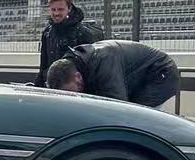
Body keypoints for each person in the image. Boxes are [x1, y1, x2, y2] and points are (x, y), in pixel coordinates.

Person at [46, 39, 180, 108]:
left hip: (160, 72)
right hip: (138, 75)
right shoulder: (74, 64)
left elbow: (117, 104)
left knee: (139, 118)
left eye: (72, 92)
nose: (74, 96)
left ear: (78, 77)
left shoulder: (103, 62)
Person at [33, 0, 104, 87]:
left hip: (73, 88)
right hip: (52, 85)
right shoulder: (47, 33)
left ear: (69, 9)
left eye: (60, 9)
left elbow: (91, 68)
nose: (56, 13)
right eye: (53, 9)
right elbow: (43, 65)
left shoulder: (82, 33)